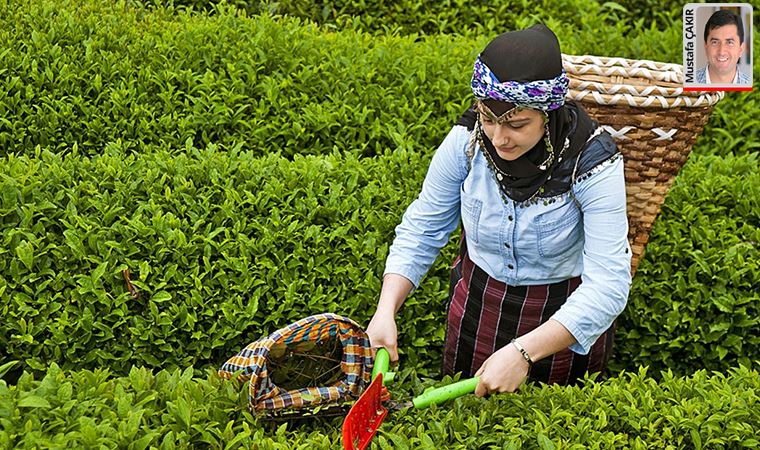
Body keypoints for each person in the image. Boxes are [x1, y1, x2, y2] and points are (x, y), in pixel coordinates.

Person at [365, 24, 632, 397]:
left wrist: (524, 352)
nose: (499, 138)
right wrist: (385, 310)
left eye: (517, 124)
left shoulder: (592, 162)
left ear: (548, 114)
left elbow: (609, 286)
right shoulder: (467, 142)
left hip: (560, 319)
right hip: (479, 307)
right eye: (489, 119)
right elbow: (422, 229)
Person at [695, 9, 751, 85]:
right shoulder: (687, 82)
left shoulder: (753, 87)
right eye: (715, 42)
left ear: (741, 49)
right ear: (706, 47)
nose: (721, 52)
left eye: (729, 42)